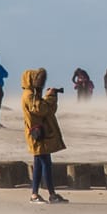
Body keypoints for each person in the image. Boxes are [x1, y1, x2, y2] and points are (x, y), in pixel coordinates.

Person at [21, 67, 68, 203]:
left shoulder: (32, 94)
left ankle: (37, 194)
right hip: (37, 134)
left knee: (40, 164)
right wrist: (50, 96)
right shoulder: (29, 95)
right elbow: (41, 110)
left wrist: (50, 97)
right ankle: (49, 194)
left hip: (40, 133)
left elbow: (48, 110)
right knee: (45, 164)